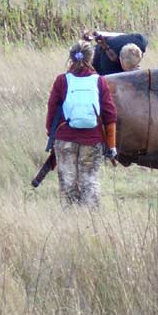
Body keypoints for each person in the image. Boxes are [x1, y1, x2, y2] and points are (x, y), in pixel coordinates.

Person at [45, 41, 118, 208]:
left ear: (71, 58)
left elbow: (51, 111)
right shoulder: (99, 81)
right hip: (92, 140)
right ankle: (91, 221)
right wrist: (111, 145)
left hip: (65, 140)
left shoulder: (62, 81)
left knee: (68, 183)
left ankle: (71, 221)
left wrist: (53, 135)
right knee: (89, 182)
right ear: (91, 58)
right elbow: (110, 115)